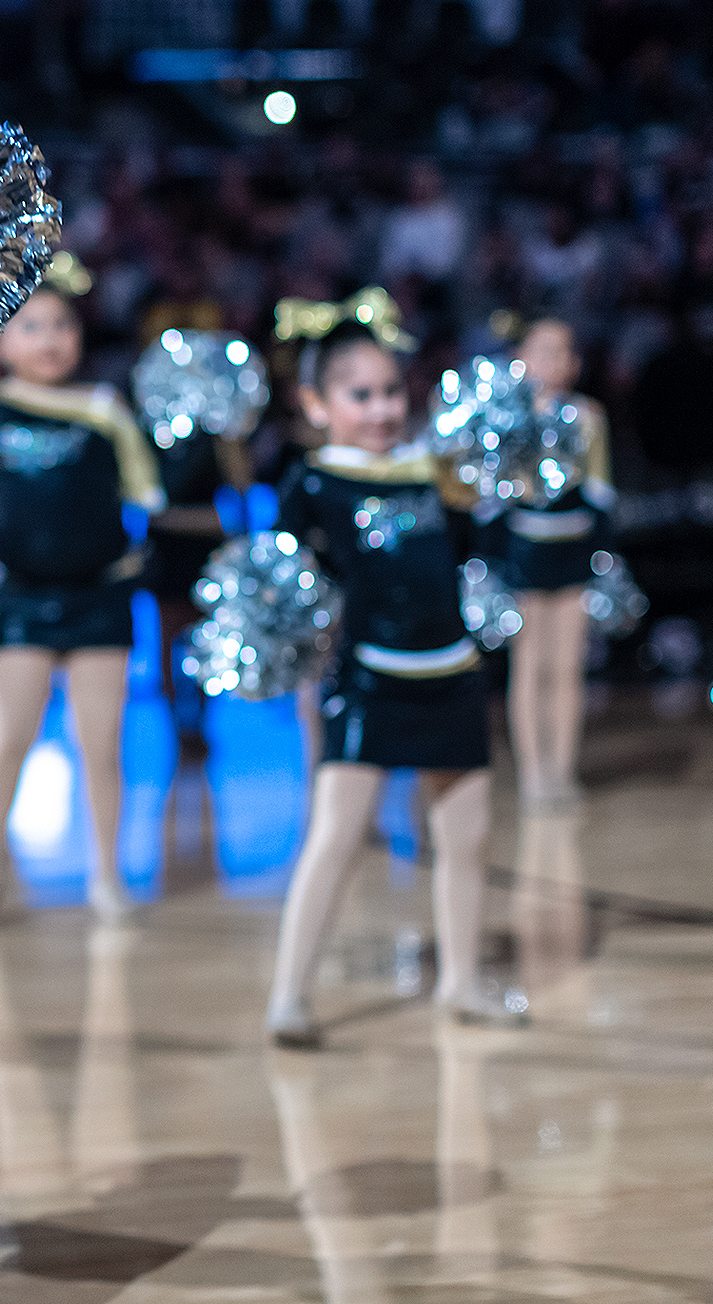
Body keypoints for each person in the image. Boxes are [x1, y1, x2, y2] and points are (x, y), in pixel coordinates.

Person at [261, 295, 526, 1047]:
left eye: (390, 392)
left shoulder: (435, 473)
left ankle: (462, 981)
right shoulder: (314, 484)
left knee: (467, 839)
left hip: (452, 672)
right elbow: (285, 582)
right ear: (316, 404)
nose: (381, 409)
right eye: (360, 395)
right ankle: (289, 996)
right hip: (368, 679)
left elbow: (477, 548)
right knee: (336, 838)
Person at [0, 278, 162, 928]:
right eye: (31, 327)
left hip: (100, 597)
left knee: (101, 744)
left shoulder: (106, 412)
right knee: (6, 741)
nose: (50, 340)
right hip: (18, 600)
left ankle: (107, 874)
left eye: (62, 325)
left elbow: (150, 494)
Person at [500, 316, 615, 812]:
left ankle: (563, 771)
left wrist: (605, 557)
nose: (550, 361)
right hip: (525, 550)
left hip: (575, 550)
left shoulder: (588, 416)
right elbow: (492, 495)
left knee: (568, 666)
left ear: (574, 364)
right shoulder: (506, 416)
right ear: (521, 359)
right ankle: (533, 774)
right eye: (540, 350)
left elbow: (600, 490)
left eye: (561, 352)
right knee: (530, 665)